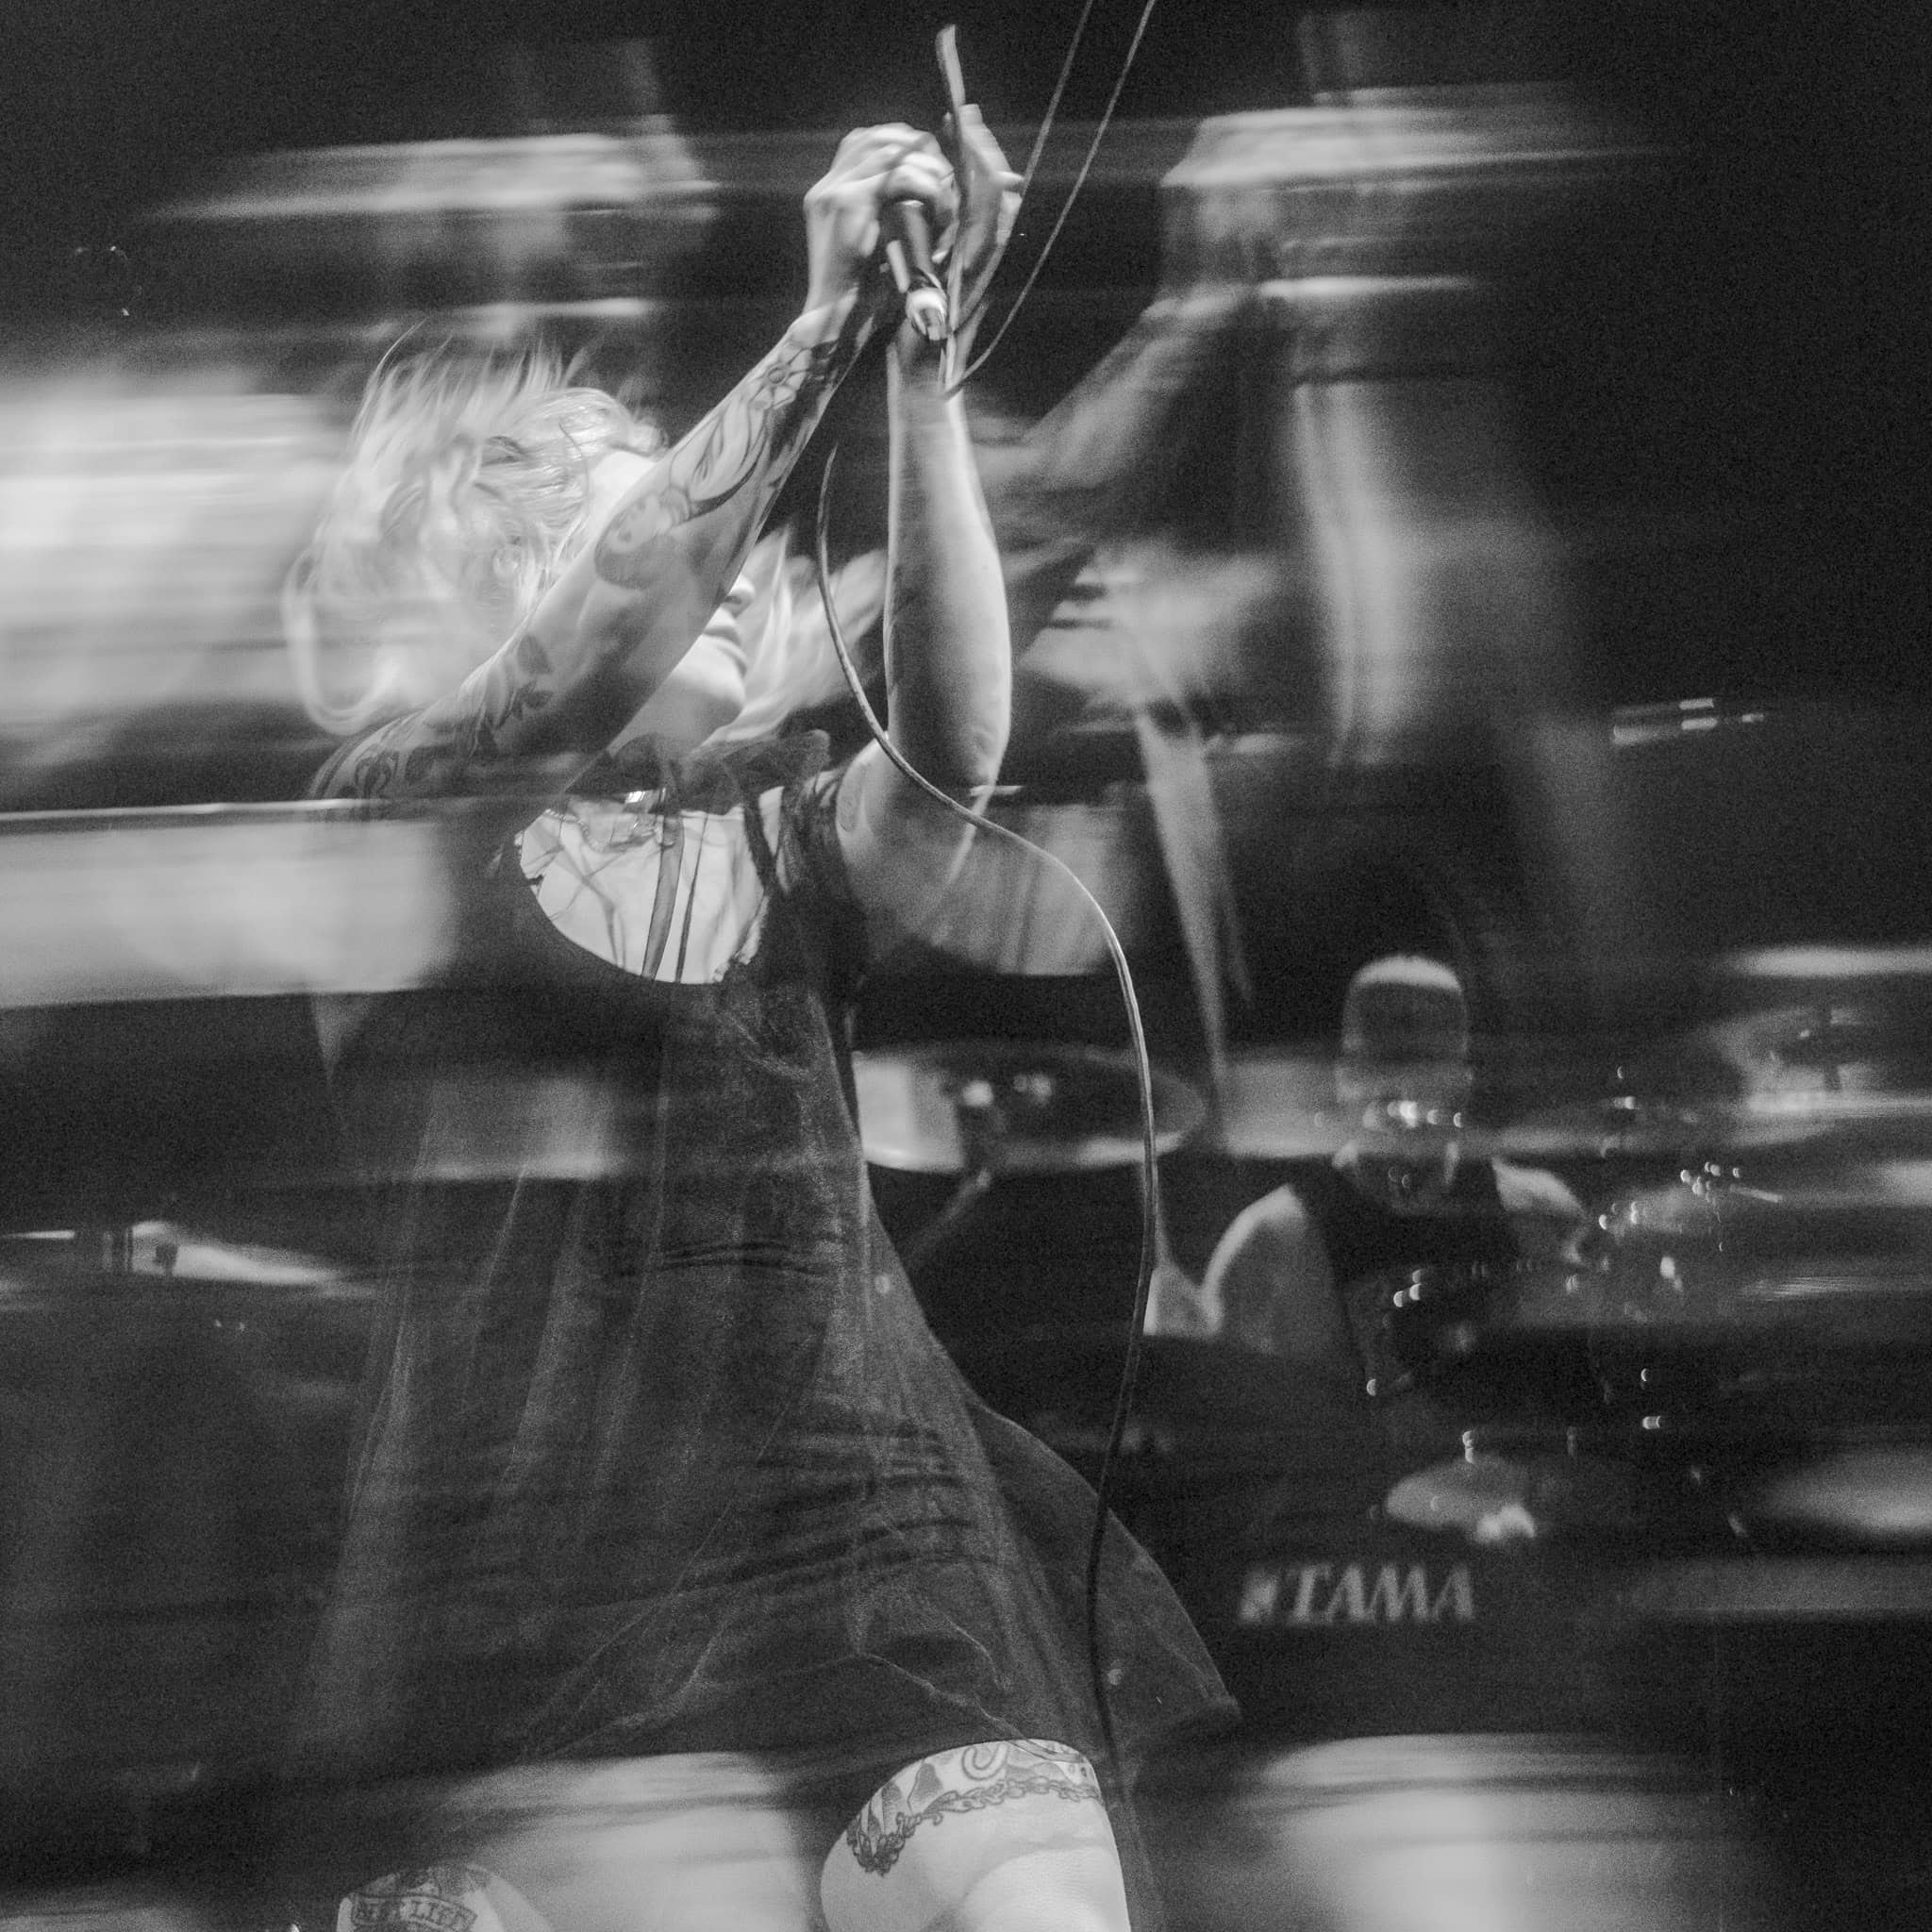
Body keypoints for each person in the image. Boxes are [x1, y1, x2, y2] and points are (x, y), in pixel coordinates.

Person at [283, 117, 1230, 1932]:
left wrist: (921, 363)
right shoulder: (395, 806)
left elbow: (959, 725)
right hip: (553, 1574)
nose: (733, 551)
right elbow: (588, 651)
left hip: (870, 1542)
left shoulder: (775, 830)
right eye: (623, 500)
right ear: (484, 567)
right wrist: (814, 334)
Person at [1151, 956, 1582, 1386]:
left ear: (1462, 1084)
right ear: (1343, 1080)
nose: (1403, 1092)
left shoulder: (1541, 1217)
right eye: (1386, 1065)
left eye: (1424, 1066)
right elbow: (1220, 1409)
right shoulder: (1267, 1244)